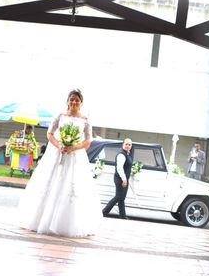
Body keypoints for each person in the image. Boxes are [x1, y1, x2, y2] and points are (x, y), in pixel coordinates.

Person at [17, 89, 101, 237]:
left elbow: (88, 141)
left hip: (75, 157)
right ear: (67, 101)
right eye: (71, 99)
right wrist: (59, 145)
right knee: (50, 182)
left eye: (77, 100)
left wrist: (74, 147)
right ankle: (41, 220)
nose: (74, 102)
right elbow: (49, 133)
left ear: (81, 103)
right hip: (57, 154)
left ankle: (66, 223)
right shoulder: (60, 116)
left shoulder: (85, 120)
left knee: (71, 186)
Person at [102, 138, 133, 219]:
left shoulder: (127, 154)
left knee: (122, 198)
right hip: (120, 179)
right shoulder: (121, 154)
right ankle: (103, 212)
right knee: (118, 197)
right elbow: (119, 168)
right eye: (126, 144)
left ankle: (122, 216)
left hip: (124, 179)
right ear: (123, 144)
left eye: (129, 144)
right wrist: (124, 179)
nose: (128, 146)